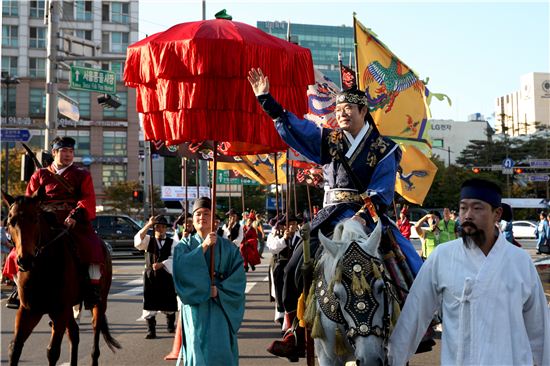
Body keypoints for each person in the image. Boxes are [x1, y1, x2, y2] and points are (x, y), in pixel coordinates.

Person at [248, 68, 424, 359]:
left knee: (409, 261)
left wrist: (364, 215)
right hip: (329, 216)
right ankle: (294, 328)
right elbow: (296, 127)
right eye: (338, 109)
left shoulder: (384, 148)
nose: (341, 114)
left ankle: (417, 327)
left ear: (363, 110)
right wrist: (267, 100)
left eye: (348, 109)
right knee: (291, 266)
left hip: (367, 214)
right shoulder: (328, 140)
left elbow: (382, 189)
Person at [388, 178, 550, 366]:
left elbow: (539, 330)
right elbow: (413, 316)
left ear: (497, 214)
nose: (467, 215)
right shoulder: (443, 256)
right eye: (463, 208)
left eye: (477, 208)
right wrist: (393, 360)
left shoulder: (520, 261)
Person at [26, 136, 104, 308]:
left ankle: (93, 288)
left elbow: (87, 199)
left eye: (71, 151)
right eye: (64, 151)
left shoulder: (82, 175)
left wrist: (75, 216)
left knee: (93, 247)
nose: (68, 155)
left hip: (73, 220)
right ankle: (20, 288)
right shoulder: (40, 175)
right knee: (22, 249)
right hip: (45, 220)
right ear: (54, 153)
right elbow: (28, 200)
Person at [172, 197, 246, 366]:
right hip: (196, 306)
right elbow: (181, 270)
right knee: (197, 348)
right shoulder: (184, 245)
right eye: (198, 214)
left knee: (221, 349)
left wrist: (219, 291)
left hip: (220, 302)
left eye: (207, 213)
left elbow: (238, 278)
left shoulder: (229, 247)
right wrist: (203, 246)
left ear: (214, 220)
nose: (202, 217)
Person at [134, 215, 178, 339]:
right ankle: (151, 330)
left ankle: (170, 325)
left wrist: (162, 264)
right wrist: (148, 225)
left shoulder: (173, 242)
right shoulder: (148, 240)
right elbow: (137, 241)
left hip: (166, 275)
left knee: (168, 302)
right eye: (157, 227)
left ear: (166, 229)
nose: (160, 229)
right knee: (150, 302)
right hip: (150, 277)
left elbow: (175, 258)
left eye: (163, 227)